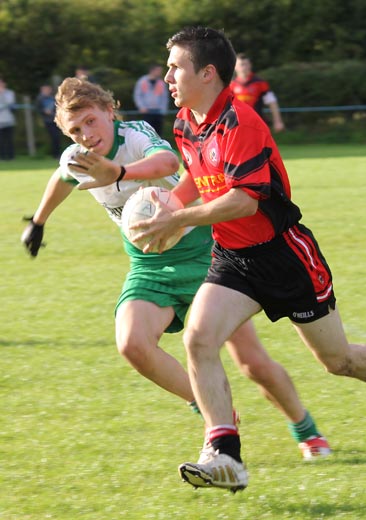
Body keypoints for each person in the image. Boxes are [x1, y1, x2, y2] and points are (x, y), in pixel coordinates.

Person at [129, 26, 366, 492]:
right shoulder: (187, 122)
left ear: (207, 73)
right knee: (198, 339)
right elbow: (199, 175)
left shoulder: (241, 123)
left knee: (337, 360)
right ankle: (225, 455)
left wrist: (179, 218)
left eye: (175, 67)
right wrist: (170, 204)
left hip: (285, 255)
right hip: (233, 257)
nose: (166, 76)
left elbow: (244, 200)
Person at [21, 77, 332, 463]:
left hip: (205, 253)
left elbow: (169, 162)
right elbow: (62, 176)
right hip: (148, 261)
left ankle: (305, 429)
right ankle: (211, 410)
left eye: (90, 121)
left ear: (109, 111)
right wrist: (38, 221)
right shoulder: (78, 156)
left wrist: (117, 171)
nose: (86, 135)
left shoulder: (134, 135)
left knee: (251, 362)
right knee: (132, 344)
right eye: (75, 130)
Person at [230, 53, 285, 133]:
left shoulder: (260, 83)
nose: (244, 67)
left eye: (246, 64)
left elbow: (272, 102)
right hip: (237, 124)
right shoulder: (232, 85)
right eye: (241, 64)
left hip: (257, 123)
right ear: (235, 67)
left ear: (250, 65)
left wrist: (277, 121)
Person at [133, 64, 169, 136]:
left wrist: (163, 110)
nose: (160, 72)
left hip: (158, 112)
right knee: (147, 133)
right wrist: (141, 107)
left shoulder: (161, 83)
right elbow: (138, 95)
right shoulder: (142, 81)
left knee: (158, 134)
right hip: (147, 112)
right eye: (158, 70)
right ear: (152, 71)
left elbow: (164, 97)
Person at [36, 84, 61, 158]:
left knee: (57, 137)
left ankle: (58, 153)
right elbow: (38, 109)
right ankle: (55, 154)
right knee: (54, 137)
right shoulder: (39, 99)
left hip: (56, 120)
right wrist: (44, 111)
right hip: (48, 121)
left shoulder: (53, 98)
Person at [0, 77, 16, 160]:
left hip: (9, 120)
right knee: (1, 140)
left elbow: (10, 103)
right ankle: (2, 157)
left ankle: (11, 156)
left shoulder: (10, 93)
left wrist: (2, 94)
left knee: (9, 140)